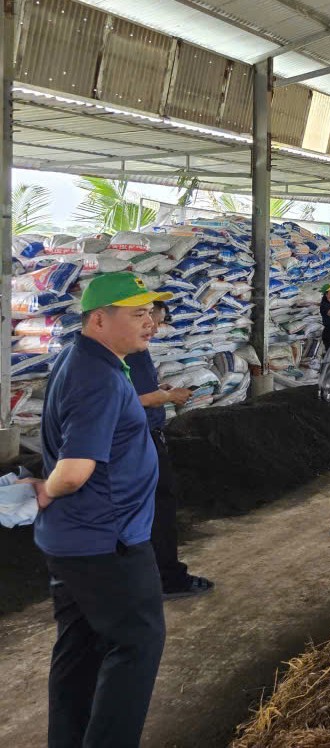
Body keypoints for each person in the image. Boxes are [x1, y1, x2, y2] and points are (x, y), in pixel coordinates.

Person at [36, 272, 172, 748]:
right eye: (137, 314)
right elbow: (74, 471)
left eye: (150, 312)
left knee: (79, 648)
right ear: (98, 319)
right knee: (138, 644)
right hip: (106, 542)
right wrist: (48, 488)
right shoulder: (98, 378)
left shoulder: (80, 358)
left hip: (73, 540)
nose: (150, 322)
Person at [125, 300, 213, 599]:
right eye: (148, 317)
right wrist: (168, 396)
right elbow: (133, 399)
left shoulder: (127, 351)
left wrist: (158, 390)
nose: (153, 326)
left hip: (138, 437)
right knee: (158, 509)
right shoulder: (131, 352)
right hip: (142, 438)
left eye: (157, 320)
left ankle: (147, 577)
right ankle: (167, 578)